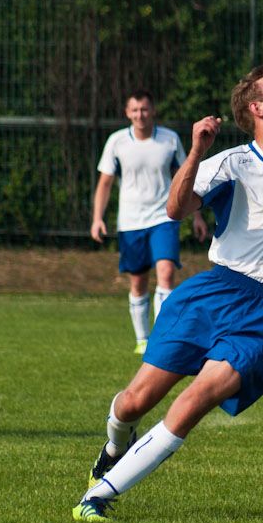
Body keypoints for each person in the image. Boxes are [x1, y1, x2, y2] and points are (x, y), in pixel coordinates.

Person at [72, 67, 263, 521]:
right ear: (257, 108)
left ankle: (98, 497)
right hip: (215, 293)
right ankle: (114, 445)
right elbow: (175, 208)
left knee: (194, 402)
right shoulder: (232, 162)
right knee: (133, 402)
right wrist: (196, 151)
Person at [91, 90, 209, 354]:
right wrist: (97, 218)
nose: (140, 115)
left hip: (163, 218)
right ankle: (142, 340)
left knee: (166, 273)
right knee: (138, 282)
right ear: (127, 113)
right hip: (131, 221)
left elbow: (186, 178)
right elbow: (105, 183)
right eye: (134, 110)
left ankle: (161, 338)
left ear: (152, 110)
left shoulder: (169, 139)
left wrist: (197, 216)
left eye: (144, 109)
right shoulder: (116, 142)